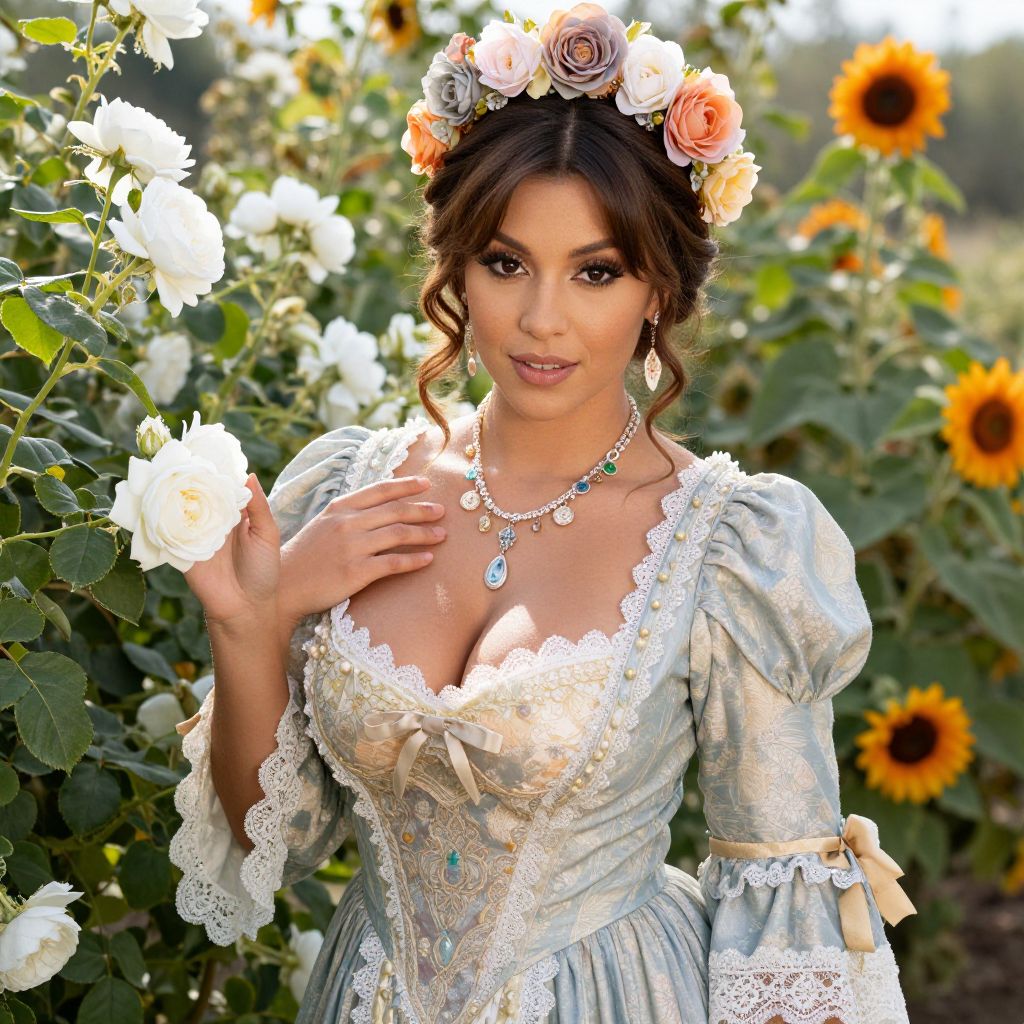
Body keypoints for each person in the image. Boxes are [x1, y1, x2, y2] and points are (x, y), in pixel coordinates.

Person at [170, 6, 916, 1022]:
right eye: (505, 262)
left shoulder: (731, 545)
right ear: (456, 267)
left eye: (595, 271)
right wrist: (249, 620)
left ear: (657, 290)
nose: (541, 319)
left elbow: (780, 906)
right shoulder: (353, 492)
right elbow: (281, 840)